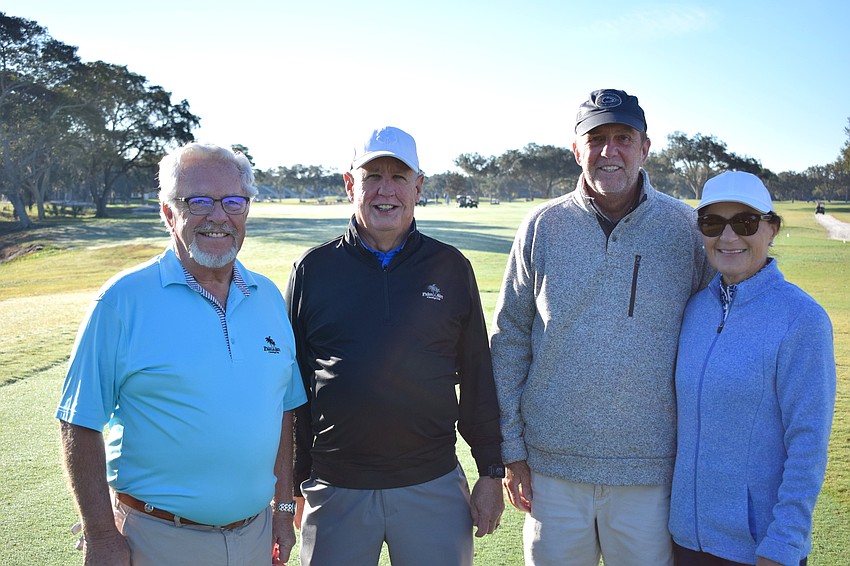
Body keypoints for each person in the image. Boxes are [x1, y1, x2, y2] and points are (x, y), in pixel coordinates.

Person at [490, 89, 714, 566]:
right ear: (577, 150)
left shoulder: (686, 228)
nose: (609, 151)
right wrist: (512, 451)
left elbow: (712, 339)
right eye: (596, 139)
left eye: (623, 138)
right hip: (552, 472)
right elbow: (508, 342)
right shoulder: (541, 226)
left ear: (645, 148)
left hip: (649, 473)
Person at [56, 143, 307, 566]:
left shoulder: (266, 296)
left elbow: (283, 411)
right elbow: (78, 421)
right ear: (168, 213)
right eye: (199, 202)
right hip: (156, 540)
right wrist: (101, 534)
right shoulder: (121, 300)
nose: (218, 216)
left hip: (256, 537)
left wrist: (283, 511)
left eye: (233, 201)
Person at [285, 126, 505, 566]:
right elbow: (292, 387)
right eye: (372, 176)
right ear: (351, 184)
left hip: (432, 484)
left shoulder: (451, 267)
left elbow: (478, 376)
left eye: (399, 177)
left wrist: (490, 472)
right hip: (336, 488)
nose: (386, 190)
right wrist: (293, 486)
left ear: (418, 187)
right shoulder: (313, 269)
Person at [669, 171, 836, 566]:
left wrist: (782, 547)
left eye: (745, 222)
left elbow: (808, 445)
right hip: (683, 542)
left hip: (757, 551)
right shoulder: (695, 309)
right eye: (712, 223)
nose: (728, 237)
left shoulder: (802, 319)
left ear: (771, 228)